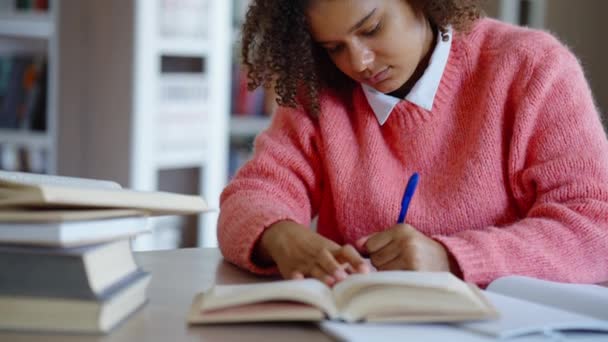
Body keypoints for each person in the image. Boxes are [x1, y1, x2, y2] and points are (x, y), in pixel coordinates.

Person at [218, 0, 608, 288]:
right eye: (333, 47)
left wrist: (449, 258)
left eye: (371, 29)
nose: (359, 61)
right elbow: (252, 195)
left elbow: (596, 227)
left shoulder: (531, 67)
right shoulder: (320, 92)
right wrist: (282, 237)